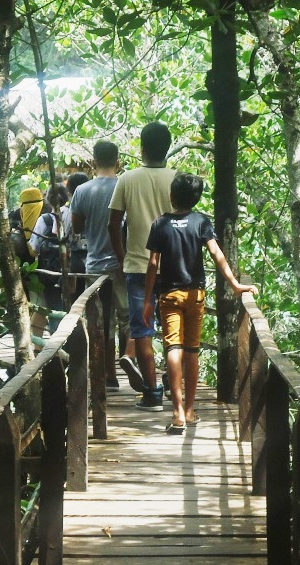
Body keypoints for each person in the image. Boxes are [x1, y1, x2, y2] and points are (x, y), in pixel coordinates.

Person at [143, 172, 257, 432]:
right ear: (196, 198)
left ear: (172, 195)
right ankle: (191, 410)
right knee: (192, 350)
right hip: (195, 295)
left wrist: (148, 300)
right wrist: (236, 285)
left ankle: (177, 412)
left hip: (169, 295)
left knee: (173, 348)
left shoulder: (160, 224)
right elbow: (217, 255)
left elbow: (152, 264)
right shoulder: (201, 222)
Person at [109, 122, 176, 411]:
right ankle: (175, 388)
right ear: (168, 147)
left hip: (137, 266)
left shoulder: (127, 179)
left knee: (142, 330)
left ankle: (152, 394)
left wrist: (123, 255)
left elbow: (113, 224)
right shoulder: (178, 179)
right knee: (175, 331)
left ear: (142, 147)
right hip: (174, 267)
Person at [71, 141, 132, 389]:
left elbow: (76, 228)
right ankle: (129, 362)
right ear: (118, 162)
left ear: (93, 162)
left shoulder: (83, 191)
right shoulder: (126, 187)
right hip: (124, 262)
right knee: (128, 316)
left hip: (95, 263)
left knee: (102, 321)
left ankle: (109, 375)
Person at [29, 185, 67, 335]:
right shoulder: (72, 215)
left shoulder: (43, 220)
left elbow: (34, 250)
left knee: (53, 309)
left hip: (50, 273)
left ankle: (56, 350)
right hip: (73, 270)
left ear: (48, 199)